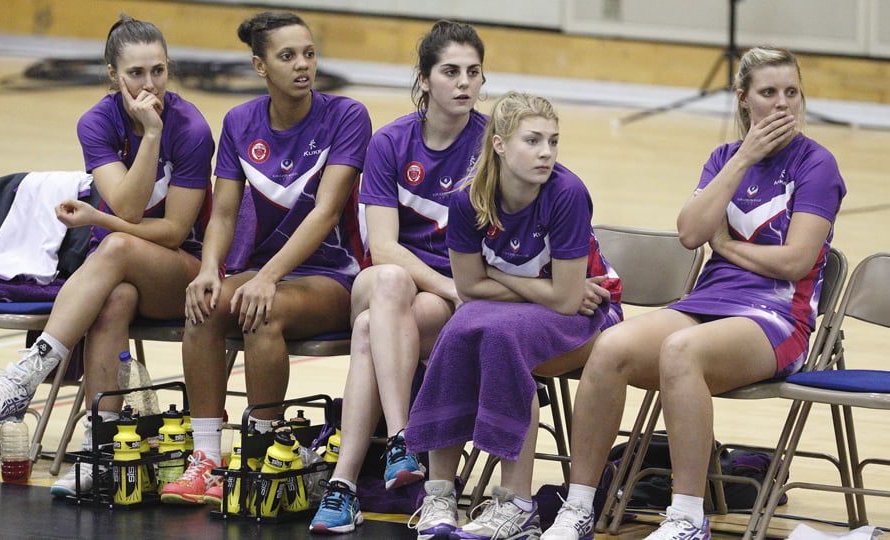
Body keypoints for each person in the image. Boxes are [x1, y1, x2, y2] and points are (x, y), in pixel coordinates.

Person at [544, 46, 846, 540]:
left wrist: (726, 245)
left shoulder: (817, 164)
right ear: (744, 100)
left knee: (681, 351)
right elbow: (690, 232)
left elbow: (794, 261)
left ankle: (686, 517)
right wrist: (746, 155)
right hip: (708, 304)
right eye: (769, 93)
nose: (782, 105)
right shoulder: (724, 158)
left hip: (776, 317)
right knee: (611, 346)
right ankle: (579, 505)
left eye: (792, 93)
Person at [0, 14, 215, 497]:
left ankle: (25, 375)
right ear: (112, 74)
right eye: (136, 73)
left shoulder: (190, 128)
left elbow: (171, 230)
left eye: (158, 71)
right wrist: (145, 141)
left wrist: (154, 135)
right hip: (114, 276)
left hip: (178, 274)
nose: (148, 84)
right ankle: (103, 456)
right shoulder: (97, 121)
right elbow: (130, 205)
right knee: (113, 301)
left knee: (119, 245)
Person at [160, 11, 371, 505]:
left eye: (309, 53)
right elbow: (224, 214)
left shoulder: (346, 115)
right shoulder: (239, 122)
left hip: (332, 275)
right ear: (260, 66)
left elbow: (325, 212)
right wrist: (210, 269)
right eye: (287, 56)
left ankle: (263, 458)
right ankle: (207, 460)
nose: (303, 65)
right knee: (206, 306)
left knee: (262, 312)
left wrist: (268, 278)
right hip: (264, 274)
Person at [404, 91, 623, 540]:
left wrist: (495, 273)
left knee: (501, 337)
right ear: (500, 145)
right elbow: (468, 288)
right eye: (533, 140)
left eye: (553, 141)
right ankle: (440, 492)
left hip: (593, 311)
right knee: (460, 327)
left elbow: (567, 301)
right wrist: (519, 283)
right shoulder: (468, 201)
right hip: (522, 309)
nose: (546, 152)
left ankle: (517, 504)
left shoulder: (567, 193)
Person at [308, 20, 489, 534]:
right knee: (388, 283)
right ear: (425, 78)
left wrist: (459, 290)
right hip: (392, 281)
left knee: (370, 330)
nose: (463, 83)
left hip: (445, 299)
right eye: (450, 71)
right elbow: (383, 246)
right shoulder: (390, 142)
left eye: (473, 73)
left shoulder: (492, 146)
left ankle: (342, 487)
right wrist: (450, 287)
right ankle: (403, 438)